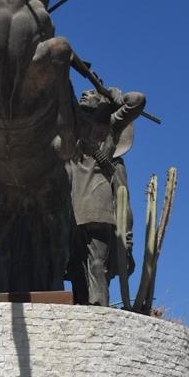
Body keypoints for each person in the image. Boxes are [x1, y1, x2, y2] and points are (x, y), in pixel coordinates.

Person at [66, 86, 146, 306]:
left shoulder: (110, 125)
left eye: (91, 93)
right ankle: (82, 314)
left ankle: (99, 313)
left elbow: (137, 100)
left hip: (97, 205)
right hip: (72, 210)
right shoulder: (73, 128)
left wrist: (111, 93)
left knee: (97, 264)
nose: (85, 93)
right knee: (76, 269)